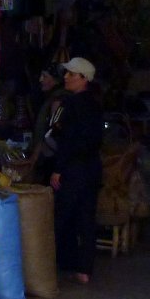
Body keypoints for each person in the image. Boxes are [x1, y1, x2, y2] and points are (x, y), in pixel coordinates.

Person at [47, 57, 104, 284]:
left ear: (83, 79)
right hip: (91, 168)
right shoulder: (95, 103)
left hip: (74, 168)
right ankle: (84, 269)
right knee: (86, 217)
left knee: (63, 217)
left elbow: (68, 140)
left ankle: (54, 265)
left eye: (71, 74)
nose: (66, 78)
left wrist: (58, 169)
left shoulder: (71, 104)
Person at [23, 64, 66, 183]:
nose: (40, 79)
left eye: (45, 76)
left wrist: (35, 156)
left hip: (52, 159)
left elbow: (52, 133)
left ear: (55, 80)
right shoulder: (51, 97)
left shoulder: (58, 100)